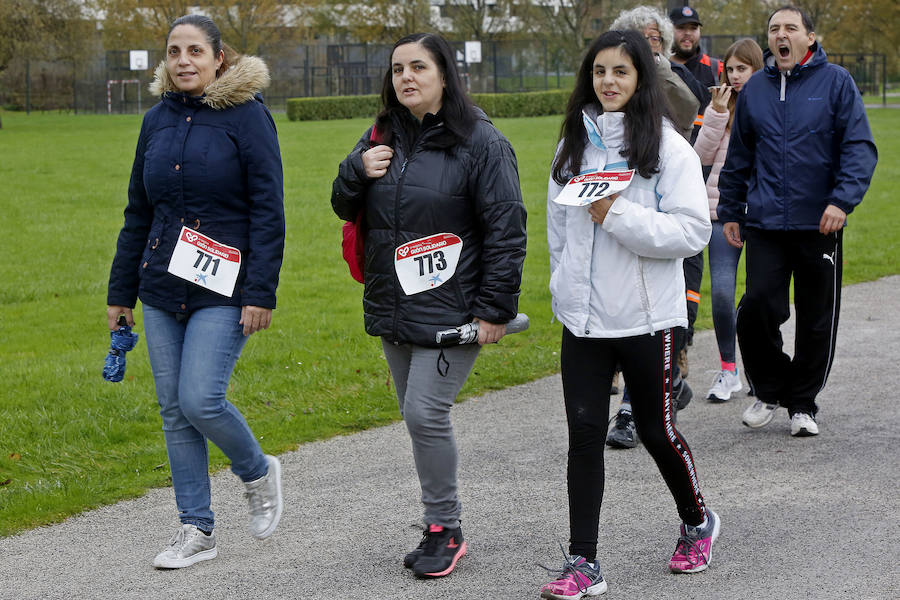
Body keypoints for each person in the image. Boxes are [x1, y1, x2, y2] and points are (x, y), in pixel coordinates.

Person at [331, 32, 526, 579]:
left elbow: (507, 229)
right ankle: (437, 523)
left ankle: (446, 527)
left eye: (418, 67)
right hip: (395, 305)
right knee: (416, 417)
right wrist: (356, 170)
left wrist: (494, 309)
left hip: (455, 309)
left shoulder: (481, 142)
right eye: (397, 69)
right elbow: (342, 205)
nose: (406, 78)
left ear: (444, 74)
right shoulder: (380, 136)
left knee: (424, 412)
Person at [540, 30, 717, 599]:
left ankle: (697, 522)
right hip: (583, 324)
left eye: (620, 71)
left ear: (641, 77)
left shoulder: (667, 148)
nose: (608, 82)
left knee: (656, 430)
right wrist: (561, 289)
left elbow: (692, 232)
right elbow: (557, 232)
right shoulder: (572, 148)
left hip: (646, 321)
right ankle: (583, 563)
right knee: (584, 437)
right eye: (599, 72)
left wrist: (615, 215)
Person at [106, 14, 285, 569]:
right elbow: (139, 211)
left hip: (226, 287)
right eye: (174, 51)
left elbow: (268, 209)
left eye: (195, 51)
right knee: (173, 411)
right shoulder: (155, 121)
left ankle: (257, 471)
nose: (183, 60)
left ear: (218, 59)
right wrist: (121, 292)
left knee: (200, 398)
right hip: (161, 284)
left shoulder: (248, 117)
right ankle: (196, 530)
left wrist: (261, 291)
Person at [718, 6, 877, 436]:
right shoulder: (755, 91)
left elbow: (859, 148)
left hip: (819, 224)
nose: (780, 35)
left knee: (815, 317)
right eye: (773, 29)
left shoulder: (837, 82)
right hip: (765, 223)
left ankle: (803, 404)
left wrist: (841, 201)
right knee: (757, 307)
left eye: (790, 28)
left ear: (809, 37)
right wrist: (731, 210)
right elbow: (739, 158)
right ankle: (770, 388)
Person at [603, 5, 701, 449]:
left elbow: (689, 108)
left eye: (654, 38)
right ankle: (632, 406)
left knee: (680, 307)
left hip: (675, 200)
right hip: (614, 229)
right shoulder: (608, 86)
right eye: (637, 39)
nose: (649, 44)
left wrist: (657, 66)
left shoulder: (672, 78)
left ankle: (660, 389)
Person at [692, 38, 763, 402]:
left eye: (742, 69)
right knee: (721, 293)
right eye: (730, 70)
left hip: (764, 216)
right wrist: (718, 114)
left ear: (756, 69)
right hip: (721, 212)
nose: (734, 77)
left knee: (760, 299)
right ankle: (728, 370)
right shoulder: (719, 104)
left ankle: (761, 369)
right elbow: (699, 156)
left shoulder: (770, 103)